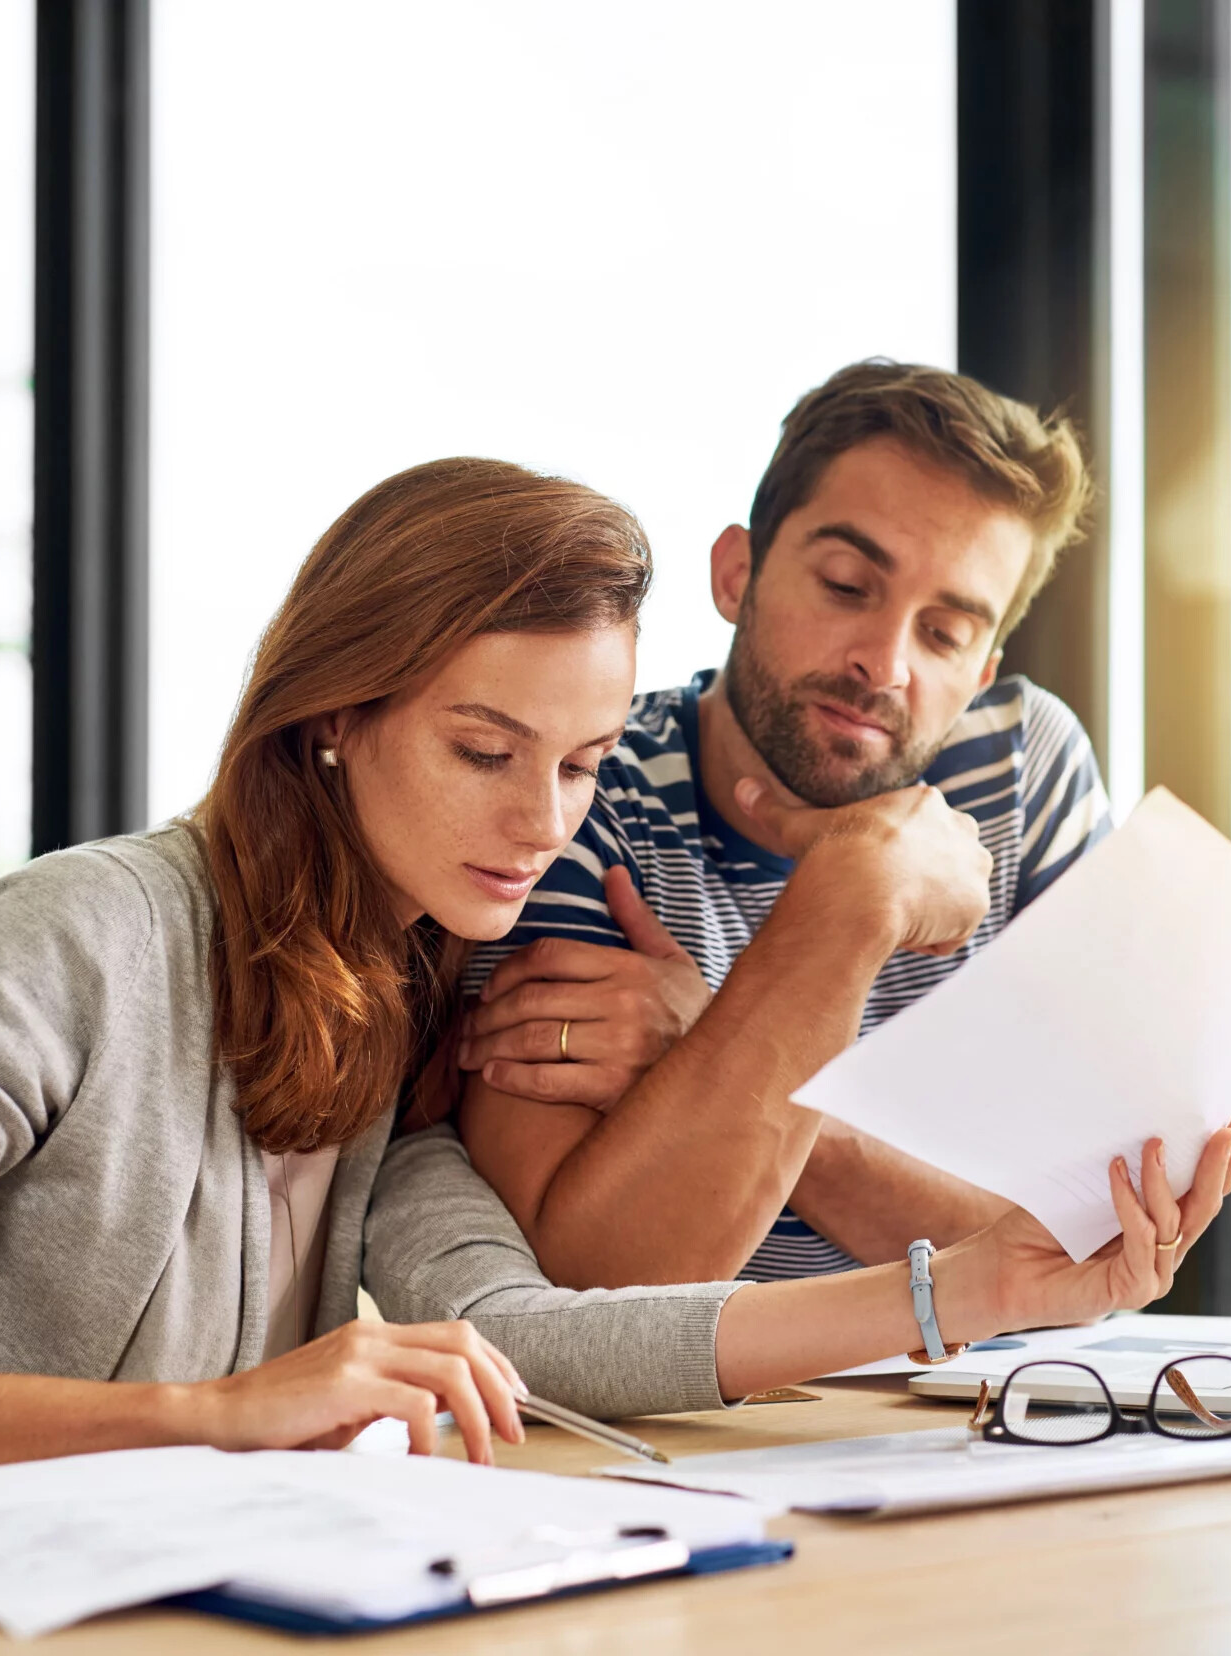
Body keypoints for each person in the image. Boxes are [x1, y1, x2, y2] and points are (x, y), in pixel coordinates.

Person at [0, 456, 1231, 1490]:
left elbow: (529, 1333)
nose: (541, 821)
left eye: (584, 763)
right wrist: (216, 1412)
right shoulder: (77, 937)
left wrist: (972, 1294)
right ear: (337, 711)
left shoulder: (406, 997)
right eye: (482, 748)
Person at [455, 361, 1189, 1291]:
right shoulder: (582, 789)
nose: (885, 663)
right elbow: (590, 1288)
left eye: (944, 634)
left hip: (994, 1383)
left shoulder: (1020, 771)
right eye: (847, 585)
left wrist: (704, 1045)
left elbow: (1097, 1243)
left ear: (982, 669)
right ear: (738, 574)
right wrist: (858, 892)